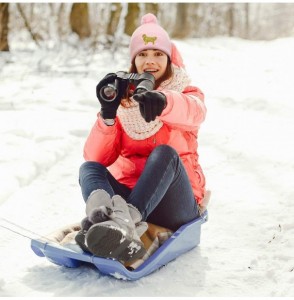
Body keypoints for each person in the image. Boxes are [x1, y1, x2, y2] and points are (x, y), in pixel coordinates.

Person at [75, 13, 208, 263]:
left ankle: (125, 224)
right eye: (143, 54)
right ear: (133, 61)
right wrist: (108, 115)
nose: (150, 61)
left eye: (158, 54)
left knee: (165, 154)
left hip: (175, 205)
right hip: (132, 195)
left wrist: (165, 101)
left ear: (169, 59)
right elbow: (97, 157)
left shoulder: (187, 92)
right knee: (89, 168)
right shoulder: (125, 100)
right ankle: (102, 222)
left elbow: (195, 112)